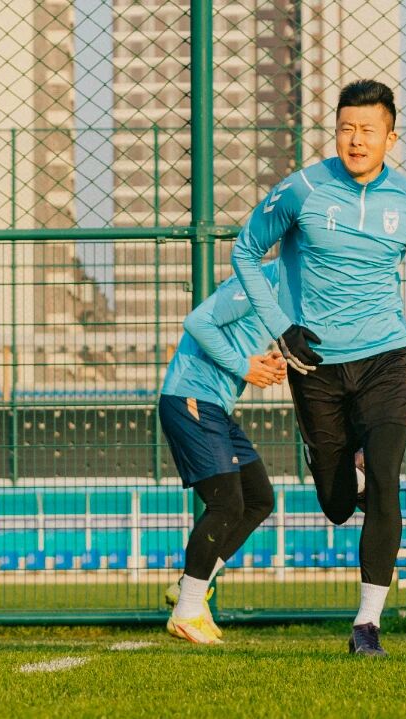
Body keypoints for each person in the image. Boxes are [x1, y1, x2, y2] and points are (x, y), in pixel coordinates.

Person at [230, 79, 406, 656]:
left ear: (391, 137)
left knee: (387, 478)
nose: (355, 140)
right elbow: (244, 251)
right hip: (316, 364)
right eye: (345, 129)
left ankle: (367, 624)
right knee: (339, 505)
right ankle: (345, 471)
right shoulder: (301, 190)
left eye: (367, 130)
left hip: (387, 358)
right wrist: (282, 327)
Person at [158, 263, 287, 645]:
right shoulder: (261, 280)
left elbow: (240, 340)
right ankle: (186, 612)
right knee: (226, 504)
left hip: (215, 406)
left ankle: (188, 587)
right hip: (190, 397)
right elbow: (198, 322)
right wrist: (244, 366)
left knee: (258, 499)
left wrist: (267, 360)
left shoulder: (291, 292)